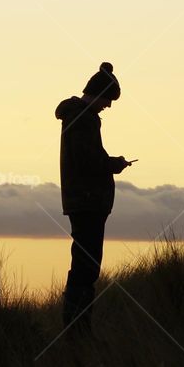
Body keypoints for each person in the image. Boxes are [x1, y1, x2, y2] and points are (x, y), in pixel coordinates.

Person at [54, 62, 132, 336]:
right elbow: (87, 160)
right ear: (97, 94)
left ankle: (78, 329)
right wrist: (113, 164)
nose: (108, 106)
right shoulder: (83, 118)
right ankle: (77, 331)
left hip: (84, 203)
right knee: (86, 268)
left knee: (85, 266)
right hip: (87, 203)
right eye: (108, 100)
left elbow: (85, 158)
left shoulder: (78, 116)